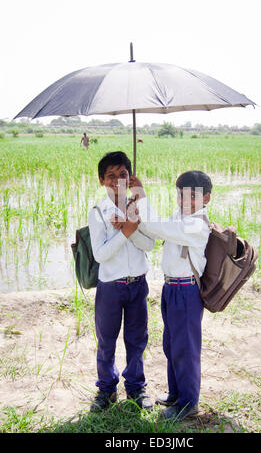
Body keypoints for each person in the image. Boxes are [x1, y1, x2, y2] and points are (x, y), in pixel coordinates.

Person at [129, 170, 212, 421]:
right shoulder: (180, 217)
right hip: (170, 289)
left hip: (187, 291)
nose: (185, 202)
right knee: (171, 345)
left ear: (206, 199)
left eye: (192, 198)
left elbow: (160, 227)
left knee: (185, 349)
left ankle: (188, 404)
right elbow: (155, 231)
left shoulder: (197, 224)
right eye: (181, 196)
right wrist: (135, 213)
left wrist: (142, 196)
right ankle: (176, 394)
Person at [88, 151, 155, 411]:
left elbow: (149, 245)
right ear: (102, 181)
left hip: (137, 284)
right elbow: (101, 254)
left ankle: (136, 387)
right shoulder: (98, 212)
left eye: (123, 175)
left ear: (131, 178)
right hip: (110, 287)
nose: (117, 181)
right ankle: (106, 389)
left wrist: (131, 227)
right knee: (106, 340)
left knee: (137, 339)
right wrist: (125, 232)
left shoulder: (137, 207)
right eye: (111, 176)